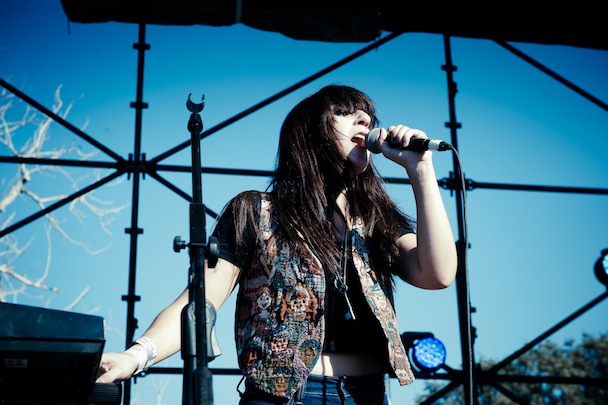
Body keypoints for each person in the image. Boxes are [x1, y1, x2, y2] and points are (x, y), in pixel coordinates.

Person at [96, 85, 458, 404]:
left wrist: (420, 169)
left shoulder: (377, 218)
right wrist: (136, 356)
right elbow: (199, 303)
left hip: (367, 395)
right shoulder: (257, 212)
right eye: (346, 113)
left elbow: (437, 274)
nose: (364, 121)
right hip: (283, 397)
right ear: (310, 132)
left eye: (368, 117)